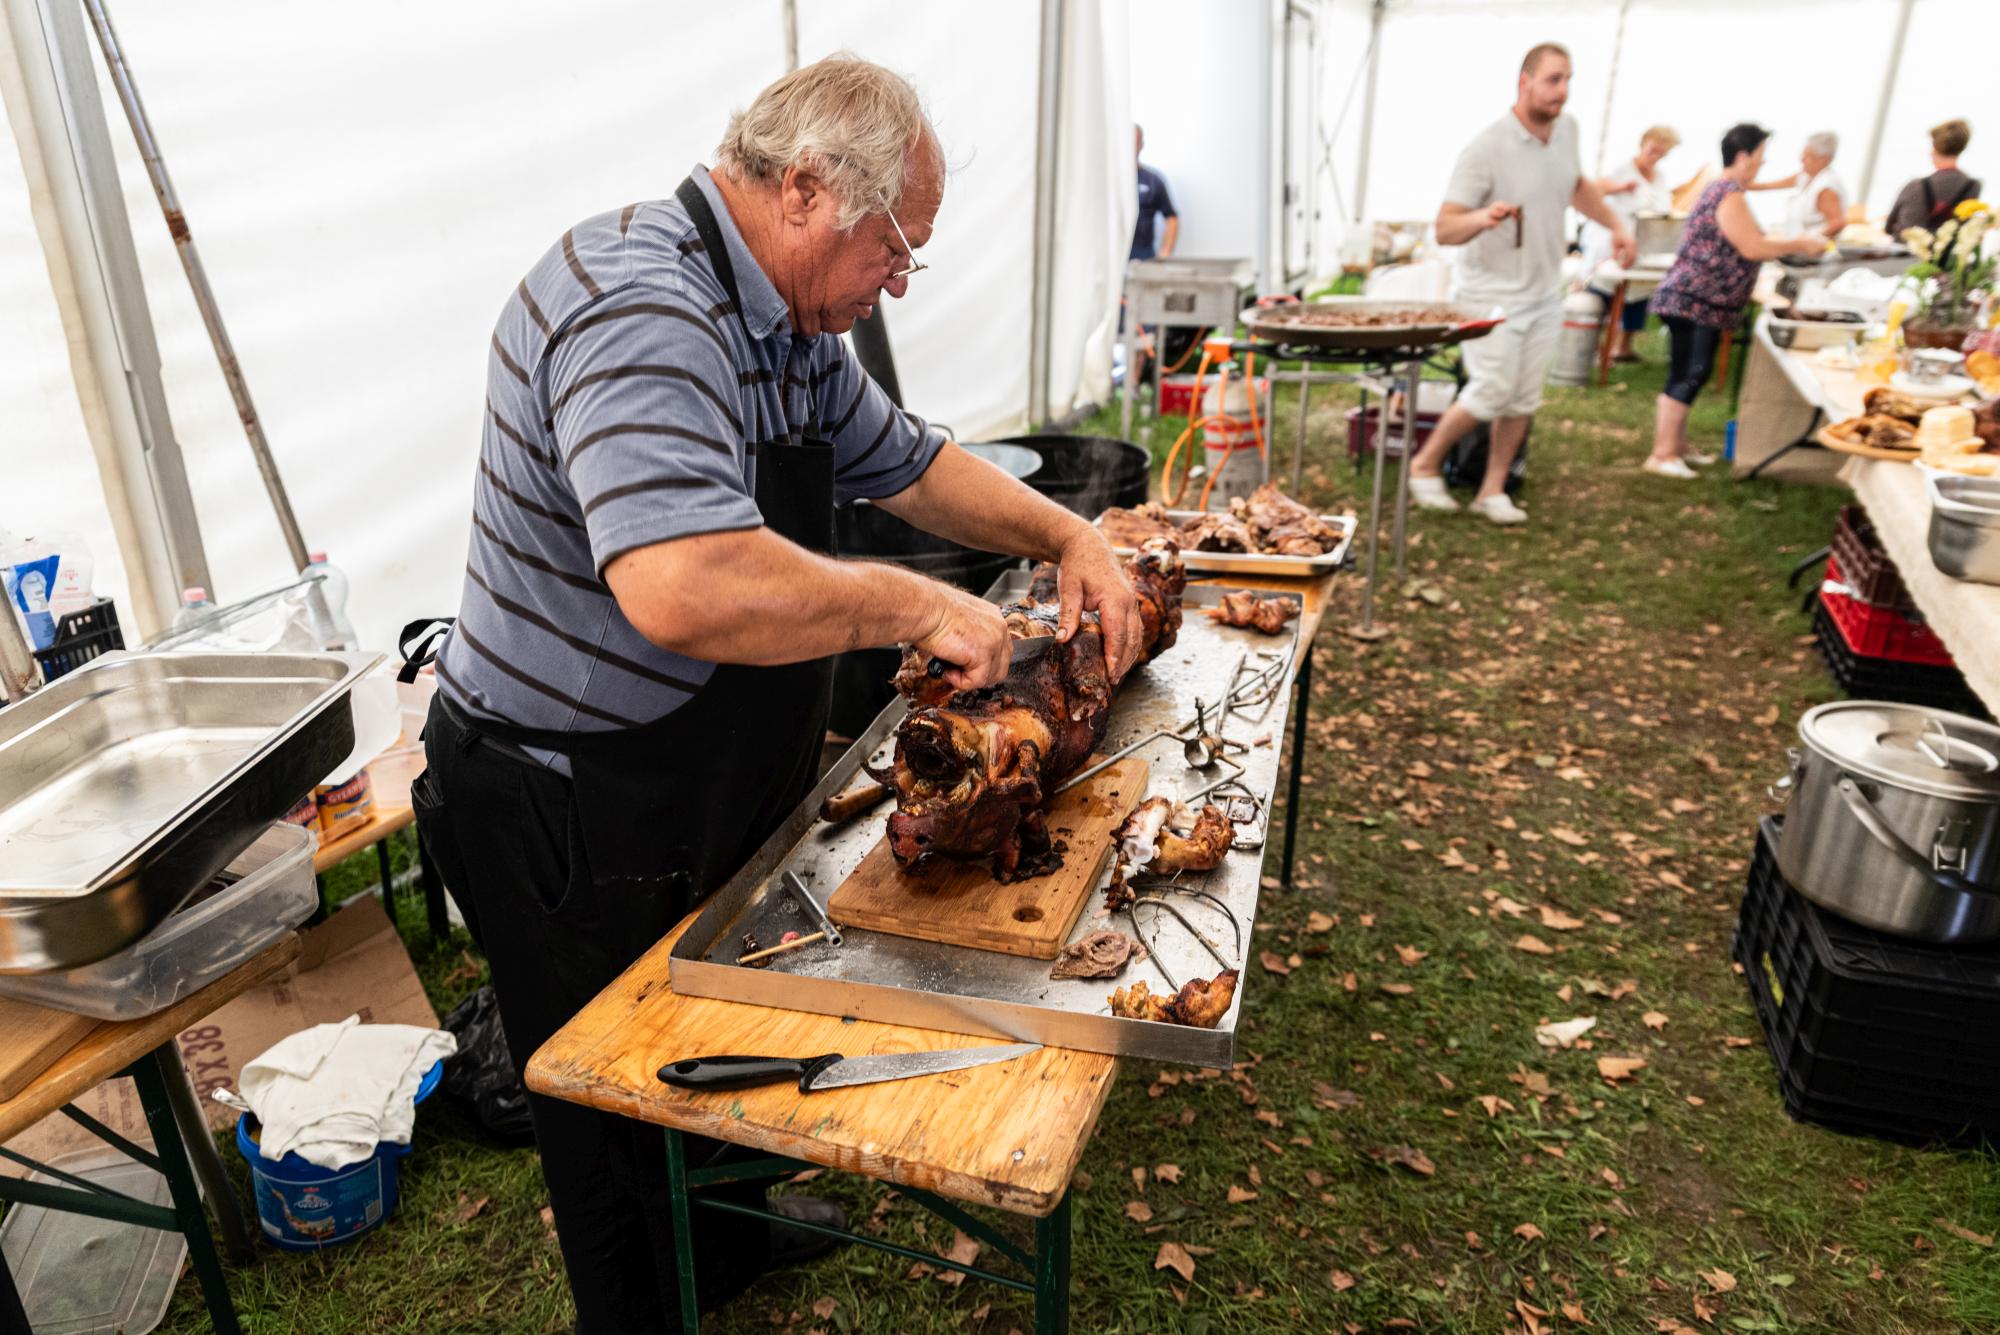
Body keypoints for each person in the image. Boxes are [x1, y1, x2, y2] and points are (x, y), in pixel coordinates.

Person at [412, 55, 1145, 1334]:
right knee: (607, 1105)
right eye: (893, 246)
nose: (898, 282)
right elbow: (681, 583)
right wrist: (916, 606)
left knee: (722, 1028)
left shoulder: (787, 326)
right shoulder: (639, 307)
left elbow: (906, 464)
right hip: (565, 796)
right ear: (805, 188)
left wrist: (1065, 536)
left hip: (694, 766)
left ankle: (732, 1243)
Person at [1407, 42, 1637, 525]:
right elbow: (1445, 229)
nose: (1563, 91)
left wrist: (1616, 225)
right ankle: (1424, 465)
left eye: (1568, 79)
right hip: (1489, 293)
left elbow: (1576, 185)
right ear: (1524, 82)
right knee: (1491, 390)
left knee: (1524, 397)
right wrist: (1482, 217)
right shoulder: (1486, 148)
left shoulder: (1567, 130)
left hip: (1544, 290)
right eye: (1553, 79)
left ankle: (1492, 488)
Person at [1645, 123, 1823, 478]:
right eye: (1760, 155)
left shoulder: (1722, 190)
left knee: (1688, 372)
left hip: (1696, 299)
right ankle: (1662, 454)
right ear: (1743, 156)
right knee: (1691, 372)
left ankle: (1675, 445)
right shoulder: (1728, 193)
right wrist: (1801, 243)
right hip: (1696, 299)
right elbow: (1751, 246)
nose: (1763, 162)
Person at [1582, 125, 1681, 362]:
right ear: (1643, 143)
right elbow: (1594, 189)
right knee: (1605, 292)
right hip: (1611, 241)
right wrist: (1621, 187)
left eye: (1662, 153)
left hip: (1643, 244)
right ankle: (1594, 346)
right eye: (1653, 150)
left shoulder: (1660, 177)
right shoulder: (1622, 168)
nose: (1655, 157)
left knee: (1638, 293)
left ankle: (1623, 347)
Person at [1886, 119, 1981, 237]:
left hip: (1908, 247)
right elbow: (1964, 227)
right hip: (1948, 248)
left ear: (1935, 148)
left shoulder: (1916, 186)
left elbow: (1889, 227)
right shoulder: (1972, 186)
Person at [1751, 131, 1846, 241]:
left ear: (1823, 159)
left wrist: (1808, 240)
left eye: (1807, 157)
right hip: (1796, 245)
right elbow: (1766, 186)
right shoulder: (1805, 176)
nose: (1801, 160)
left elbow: (1838, 223)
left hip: (1813, 248)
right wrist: (1739, 182)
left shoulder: (1826, 187)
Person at [1131, 123, 1179, 260]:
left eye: (1134, 142)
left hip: (1143, 252)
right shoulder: (1109, 181)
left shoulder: (1152, 180)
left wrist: (1165, 252)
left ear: (1141, 144)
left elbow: (1172, 217)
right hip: (1113, 251)